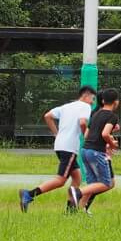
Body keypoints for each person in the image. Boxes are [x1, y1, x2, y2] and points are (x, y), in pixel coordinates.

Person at [20, 85, 95, 213]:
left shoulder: (66, 106)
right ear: (86, 95)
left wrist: (57, 133)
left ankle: (71, 211)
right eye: (92, 98)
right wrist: (86, 135)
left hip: (60, 145)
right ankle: (28, 194)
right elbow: (82, 123)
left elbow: (47, 116)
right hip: (69, 147)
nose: (93, 102)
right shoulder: (85, 106)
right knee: (60, 180)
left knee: (77, 177)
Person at [75, 88, 121, 213]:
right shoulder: (112, 116)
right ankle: (77, 192)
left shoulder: (95, 114)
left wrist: (106, 142)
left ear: (102, 100)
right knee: (106, 183)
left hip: (85, 150)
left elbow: (86, 135)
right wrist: (111, 144)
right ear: (116, 102)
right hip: (96, 152)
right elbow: (105, 134)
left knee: (93, 184)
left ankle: (80, 210)